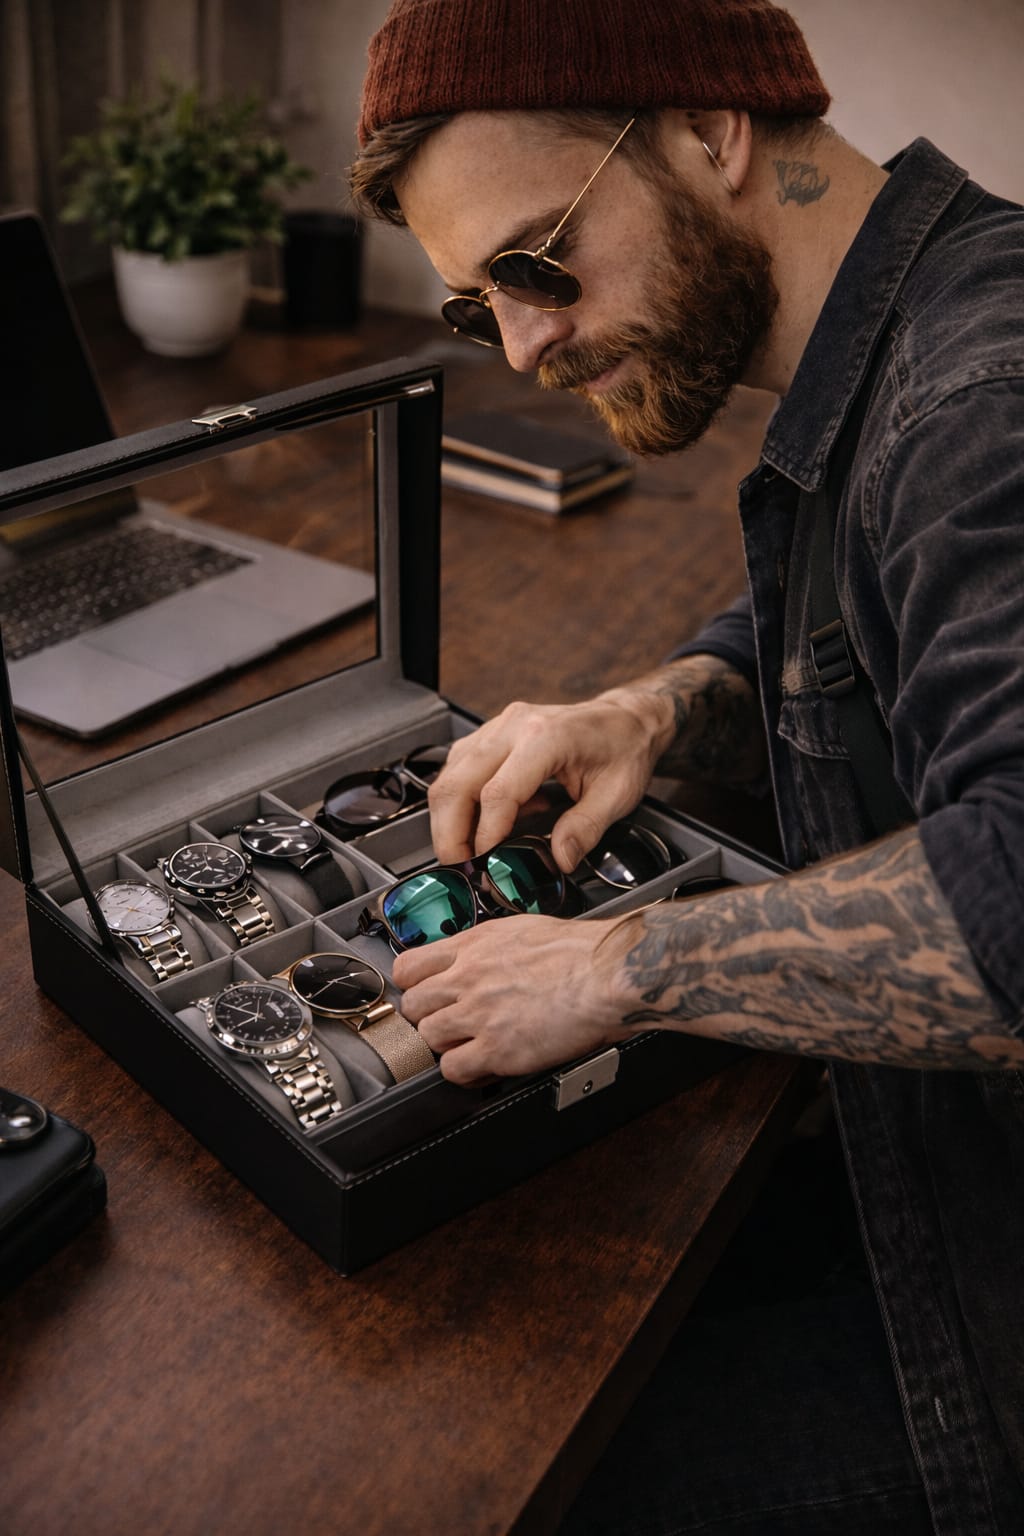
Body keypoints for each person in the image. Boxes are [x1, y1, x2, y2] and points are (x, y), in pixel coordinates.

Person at [350, 2, 1024, 1531]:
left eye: (533, 264)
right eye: (478, 310)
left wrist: (617, 969)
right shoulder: (914, 325)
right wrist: (656, 709)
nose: (522, 346)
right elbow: (863, 615)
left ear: (711, 129)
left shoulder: (980, 399)